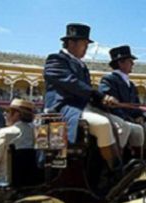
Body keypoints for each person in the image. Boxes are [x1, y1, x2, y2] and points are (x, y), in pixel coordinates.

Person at [43, 23, 135, 174]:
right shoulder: (55, 60)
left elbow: (86, 91)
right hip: (64, 107)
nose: (86, 48)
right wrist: (99, 96)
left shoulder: (82, 66)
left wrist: (104, 101)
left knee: (123, 126)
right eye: (84, 44)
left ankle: (106, 167)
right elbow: (72, 84)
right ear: (72, 43)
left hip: (83, 107)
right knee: (103, 124)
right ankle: (114, 172)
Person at [99, 45, 146, 159]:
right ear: (121, 63)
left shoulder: (131, 85)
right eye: (130, 61)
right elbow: (112, 107)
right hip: (121, 119)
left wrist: (144, 117)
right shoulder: (108, 80)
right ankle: (131, 162)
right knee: (137, 129)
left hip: (132, 119)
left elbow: (136, 106)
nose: (133, 64)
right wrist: (131, 119)